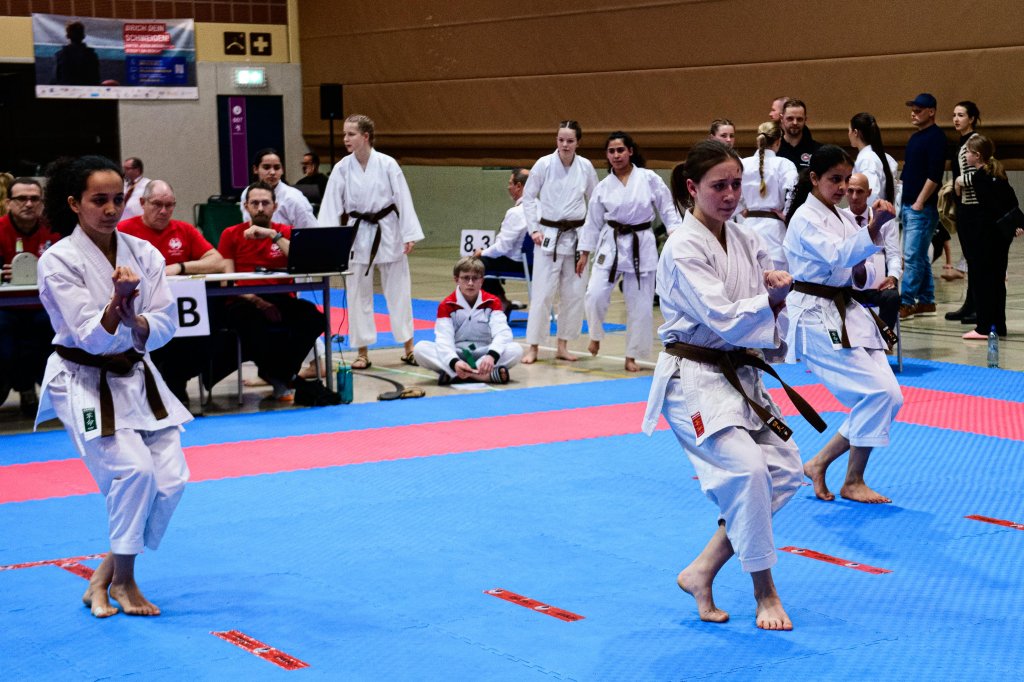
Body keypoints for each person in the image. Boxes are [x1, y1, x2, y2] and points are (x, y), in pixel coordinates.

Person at [642, 139, 811, 631]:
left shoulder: (745, 238)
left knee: (785, 470)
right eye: (719, 185)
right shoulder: (682, 246)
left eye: (737, 184)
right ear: (692, 187)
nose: (731, 194)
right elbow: (724, 317)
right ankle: (765, 591)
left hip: (740, 373)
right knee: (749, 472)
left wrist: (775, 289)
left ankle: (702, 571)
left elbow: (760, 298)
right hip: (695, 379)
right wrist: (770, 301)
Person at [35, 155, 192, 618]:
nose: (110, 209)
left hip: (137, 376)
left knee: (170, 480)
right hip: (83, 380)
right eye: (98, 200)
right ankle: (124, 581)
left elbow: (165, 321)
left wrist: (136, 319)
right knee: (133, 473)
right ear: (74, 204)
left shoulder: (143, 253)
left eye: (117, 199)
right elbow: (88, 336)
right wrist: (116, 304)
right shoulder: (58, 260)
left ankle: (104, 576)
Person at [783, 145, 903, 504]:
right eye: (834, 179)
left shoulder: (841, 217)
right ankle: (841, 474)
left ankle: (837, 473)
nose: (842, 187)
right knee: (876, 395)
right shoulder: (805, 218)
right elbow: (838, 255)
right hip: (815, 316)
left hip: (847, 311)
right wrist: (874, 227)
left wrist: (876, 272)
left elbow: (860, 269)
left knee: (890, 397)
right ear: (814, 179)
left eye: (846, 179)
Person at [318, 114, 425, 368]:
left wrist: (409, 233)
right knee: (357, 294)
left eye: (351, 134)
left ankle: (409, 347)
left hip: (388, 229)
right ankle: (362, 352)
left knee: (399, 290)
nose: (345, 139)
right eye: (344, 134)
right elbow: (331, 205)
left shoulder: (387, 164)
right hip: (357, 232)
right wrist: (327, 240)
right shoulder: (342, 168)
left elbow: (403, 198)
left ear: (365, 136)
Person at [579, 132, 682, 372]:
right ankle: (595, 335)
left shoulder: (648, 178)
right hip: (611, 242)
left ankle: (632, 355)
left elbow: (667, 208)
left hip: (641, 242)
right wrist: (584, 252)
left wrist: (676, 235)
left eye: (620, 150)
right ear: (607, 155)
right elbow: (592, 222)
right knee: (594, 294)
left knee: (641, 306)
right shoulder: (603, 187)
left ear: (630, 152)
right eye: (611, 151)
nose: (616, 155)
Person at [118, 180, 227, 403]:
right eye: (157, 204)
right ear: (142, 203)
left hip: (181, 317)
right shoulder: (123, 230)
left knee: (210, 329)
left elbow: (217, 261)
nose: (163, 211)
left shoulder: (184, 230)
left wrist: (180, 267)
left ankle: (177, 383)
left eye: (169, 205)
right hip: (139, 310)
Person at [219, 182, 326, 401]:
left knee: (315, 318)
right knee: (249, 322)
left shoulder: (284, 232)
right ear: (246, 206)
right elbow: (226, 282)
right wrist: (258, 302)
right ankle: (281, 375)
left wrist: (272, 235)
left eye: (265, 203)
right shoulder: (231, 234)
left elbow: (303, 262)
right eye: (254, 203)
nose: (260, 208)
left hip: (281, 297)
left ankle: (281, 372)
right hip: (245, 299)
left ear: (275, 206)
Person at [520, 120, 599, 364]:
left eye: (570, 141)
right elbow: (528, 197)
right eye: (561, 140)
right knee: (542, 294)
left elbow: (596, 203)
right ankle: (533, 346)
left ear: (578, 143)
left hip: (576, 238)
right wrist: (534, 229)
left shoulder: (585, 167)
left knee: (574, 295)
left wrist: (588, 243)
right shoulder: (544, 164)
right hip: (548, 237)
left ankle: (562, 345)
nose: (565, 145)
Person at [0, 178, 61, 416]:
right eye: (21, 199)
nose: (28, 204)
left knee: (52, 333)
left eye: (34, 199)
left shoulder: (55, 231)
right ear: (8, 203)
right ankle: (21, 386)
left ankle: (49, 391)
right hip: (5, 307)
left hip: (45, 305)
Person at [413, 256, 523, 385]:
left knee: (516, 349)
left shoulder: (492, 302)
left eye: (475, 278)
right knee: (420, 349)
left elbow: (503, 333)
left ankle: (455, 375)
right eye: (465, 278)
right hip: (457, 353)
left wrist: (491, 355)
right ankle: (482, 375)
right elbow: (444, 339)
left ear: (482, 280)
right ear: (456, 279)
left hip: (484, 353)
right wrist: (454, 362)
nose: (470, 283)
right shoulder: (446, 305)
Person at [959, 135, 1021, 340]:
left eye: (968, 152)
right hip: (1001, 237)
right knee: (997, 281)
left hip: (987, 236)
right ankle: (998, 325)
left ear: (977, 156)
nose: (966, 156)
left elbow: (989, 209)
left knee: (982, 280)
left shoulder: (979, 177)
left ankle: (984, 327)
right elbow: (1011, 200)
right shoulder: (997, 172)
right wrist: (1015, 224)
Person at [899, 93, 945, 320]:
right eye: (912, 110)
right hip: (910, 204)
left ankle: (906, 302)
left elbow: (934, 175)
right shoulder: (916, 137)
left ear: (931, 111)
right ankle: (926, 301)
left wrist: (920, 201)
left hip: (921, 208)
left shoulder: (936, 138)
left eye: (918, 110)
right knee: (919, 256)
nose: (913, 114)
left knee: (912, 257)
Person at [841, 173, 902, 329]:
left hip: (877, 283)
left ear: (869, 193)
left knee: (892, 297)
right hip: (848, 284)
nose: (854, 196)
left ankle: (884, 338)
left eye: (859, 191)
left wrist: (893, 277)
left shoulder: (883, 218)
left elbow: (894, 254)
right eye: (850, 191)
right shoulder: (840, 218)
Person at [740, 121, 798, 270]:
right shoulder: (784, 164)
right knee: (777, 277)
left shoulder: (743, 164)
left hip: (748, 226)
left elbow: (733, 191)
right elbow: (793, 190)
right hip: (774, 230)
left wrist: (742, 208)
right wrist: (786, 214)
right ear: (778, 142)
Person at [473, 168, 531, 314]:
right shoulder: (542, 208)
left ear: (519, 186)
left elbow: (502, 248)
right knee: (488, 259)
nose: (508, 187)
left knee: (476, 263)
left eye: (510, 183)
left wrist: (481, 252)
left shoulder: (516, 213)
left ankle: (502, 302)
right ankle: (503, 300)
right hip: (537, 264)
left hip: (518, 264)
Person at [945, 101, 983, 323]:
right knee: (970, 258)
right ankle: (970, 304)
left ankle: (979, 307)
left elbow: (981, 171)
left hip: (974, 208)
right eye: (954, 115)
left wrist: (959, 181)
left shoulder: (974, 141)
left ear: (972, 118)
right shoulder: (961, 142)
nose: (956, 119)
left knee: (976, 260)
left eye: (961, 115)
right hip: (964, 206)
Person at [240, 148, 318, 229]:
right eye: (266, 167)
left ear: (282, 170)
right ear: (255, 169)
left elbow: (311, 231)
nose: (272, 172)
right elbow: (249, 227)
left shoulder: (293, 198)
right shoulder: (247, 193)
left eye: (277, 168)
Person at [848, 113, 899, 209]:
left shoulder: (867, 159)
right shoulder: (882, 156)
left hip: (873, 214)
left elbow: (872, 195)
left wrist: (867, 215)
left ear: (855, 132)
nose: (848, 134)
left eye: (849, 130)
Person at [777, 99, 821, 171]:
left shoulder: (818, 151)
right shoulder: (774, 150)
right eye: (790, 118)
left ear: (805, 119)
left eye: (799, 119)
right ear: (781, 118)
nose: (795, 122)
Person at [52, 20, 101, 86]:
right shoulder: (92, 56)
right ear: (83, 36)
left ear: (67, 36)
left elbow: (55, 79)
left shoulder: (59, 55)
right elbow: (96, 79)